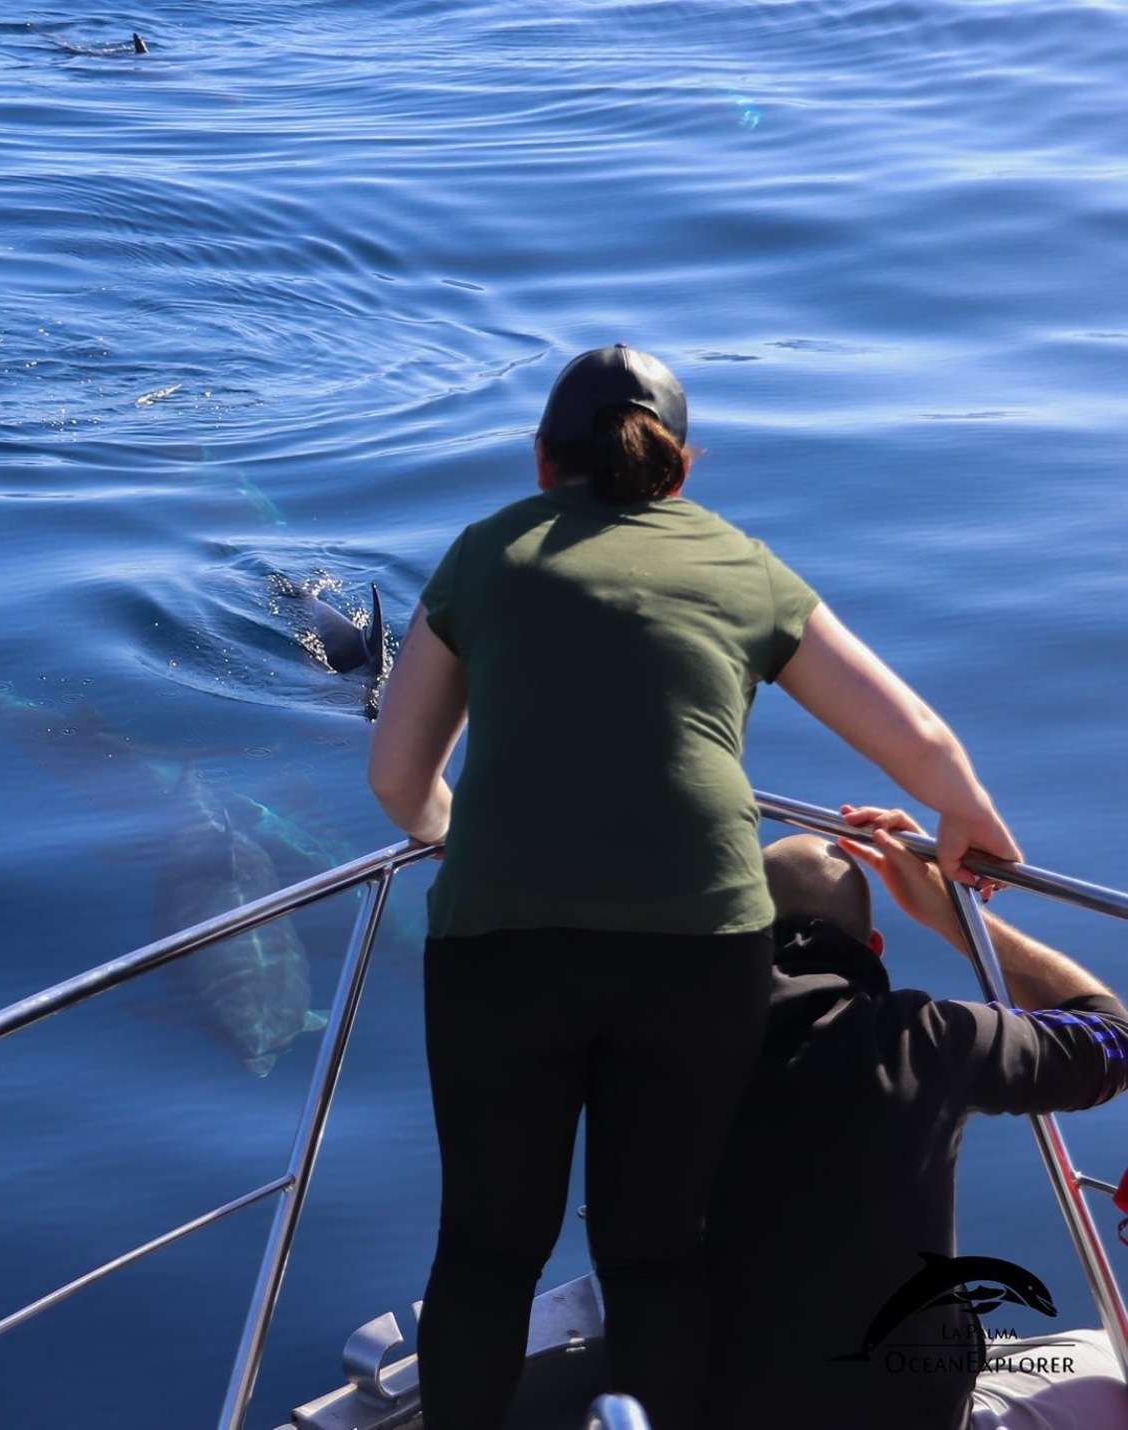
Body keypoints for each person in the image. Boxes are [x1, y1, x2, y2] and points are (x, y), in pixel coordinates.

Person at [368, 344, 1021, 1430]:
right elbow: (913, 731)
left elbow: (398, 775)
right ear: (681, 469)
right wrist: (971, 818)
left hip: (502, 942)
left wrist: (456, 837)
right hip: (700, 946)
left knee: (485, 1248)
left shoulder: (488, 552)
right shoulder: (740, 562)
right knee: (655, 1245)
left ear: (542, 462)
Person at [705, 807, 1128, 1430]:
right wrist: (955, 914)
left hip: (701, 1404)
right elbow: (1112, 1042)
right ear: (873, 948)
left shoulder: (666, 1040)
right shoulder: (927, 1039)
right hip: (909, 1412)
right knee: (1104, 1369)